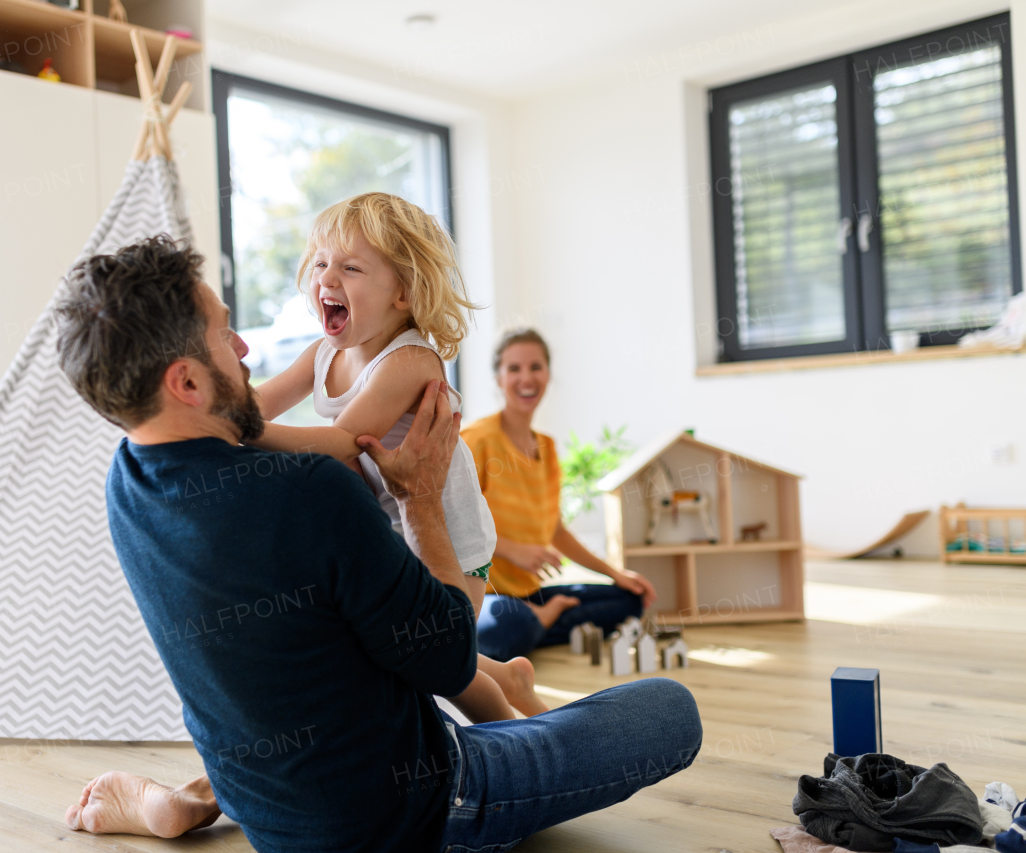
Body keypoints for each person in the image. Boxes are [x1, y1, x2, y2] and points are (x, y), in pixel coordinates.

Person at [54, 235, 702, 851]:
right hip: (409, 815)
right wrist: (420, 503)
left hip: (271, 813)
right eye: (226, 336)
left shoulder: (128, 478)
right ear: (187, 383)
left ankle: (189, 797)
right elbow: (449, 659)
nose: (246, 347)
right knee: (668, 710)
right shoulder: (307, 490)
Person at [249, 192, 545, 721]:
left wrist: (243, 430)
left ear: (404, 293)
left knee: (442, 663)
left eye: (351, 267)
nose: (327, 279)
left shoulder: (409, 359)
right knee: (402, 651)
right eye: (320, 263)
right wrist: (212, 408)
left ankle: (517, 743)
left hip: (450, 537)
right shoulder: (321, 354)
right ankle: (508, 675)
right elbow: (258, 403)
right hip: (388, 528)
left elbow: (343, 442)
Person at [464, 328, 659, 662]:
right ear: (498, 378)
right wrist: (512, 551)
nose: (526, 378)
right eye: (514, 368)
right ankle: (538, 621)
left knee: (629, 600)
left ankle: (536, 622)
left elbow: (556, 530)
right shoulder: (476, 440)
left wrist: (616, 574)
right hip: (483, 596)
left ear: (548, 375)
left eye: (535, 367)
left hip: (529, 592)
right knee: (505, 626)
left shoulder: (547, 448)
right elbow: (452, 522)